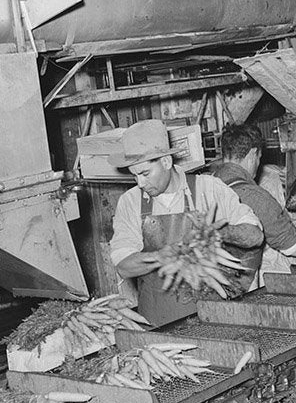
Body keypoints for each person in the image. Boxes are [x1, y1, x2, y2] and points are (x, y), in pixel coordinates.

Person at [109, 120, 263, 326]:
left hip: (213, 318)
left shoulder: (209, 188)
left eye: (145, 174)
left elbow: (255, 235)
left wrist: (218, 232)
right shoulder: (130, 202)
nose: (140, 183)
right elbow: (123, 266)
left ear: (166, 161)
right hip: (158, 323)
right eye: (134, 175)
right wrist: (159, 257)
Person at [213, 124, 296, 283]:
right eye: (259, 158)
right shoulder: (256, 197)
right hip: (243, 285)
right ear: (252, 154)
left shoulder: (205, 184)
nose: (258, 164)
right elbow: (294, 248)